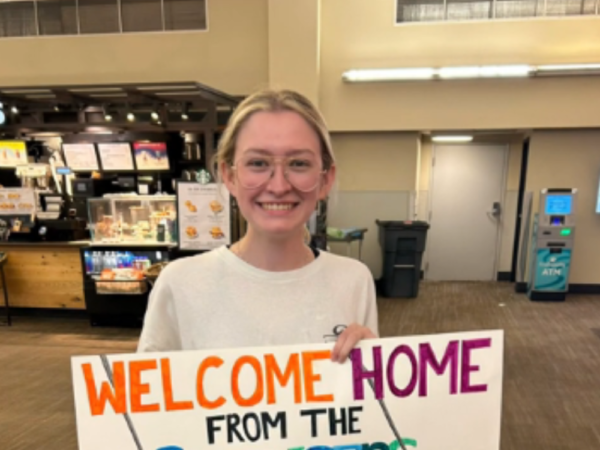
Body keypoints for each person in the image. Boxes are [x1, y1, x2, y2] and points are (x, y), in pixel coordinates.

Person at [137, 89, 378, 363]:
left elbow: (363, 403)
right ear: (229, 175)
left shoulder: (354, 280)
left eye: (299, 163)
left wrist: (375, 370)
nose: (278, 186)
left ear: (325, 179)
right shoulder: (181, 284)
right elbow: (146, 400)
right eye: (258, 163)